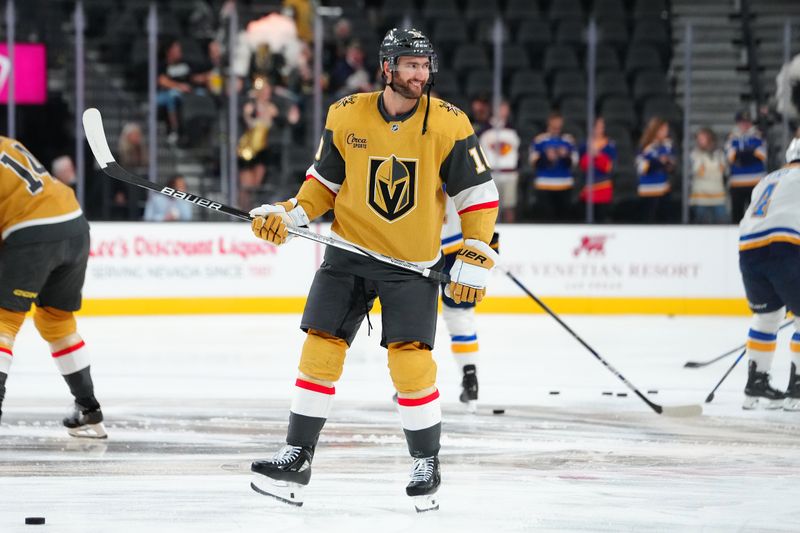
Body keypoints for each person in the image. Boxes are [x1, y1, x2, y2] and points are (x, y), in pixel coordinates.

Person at [247, 28, 499, 511]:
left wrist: (476, 252)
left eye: (425, 66)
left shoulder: (450, 124)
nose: (419, 75)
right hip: (348, 253)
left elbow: (478, 197)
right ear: (387, 68)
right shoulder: (346, 114)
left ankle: (426, 461)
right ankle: (297, 455)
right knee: (320, 348)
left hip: (411, 264)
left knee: (410, 362)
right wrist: (290, 213)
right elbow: (322, 184)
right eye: (409, 65)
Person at [0, 136, 106, 437]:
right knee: (56, 322)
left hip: (31, 231)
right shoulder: (6, 143)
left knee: (4, 321)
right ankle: (90, 411)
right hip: (74, 223)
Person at [737, 137, 800, 411]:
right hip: (783, 249)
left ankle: (756, 384)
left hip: (749, 251)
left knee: (767, 316)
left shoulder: (767, 179)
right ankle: (797, 390)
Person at [440, 198, 499, 412]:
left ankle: (411, 380)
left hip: (422, 250)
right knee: (460, 319)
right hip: (460, 251)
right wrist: (491, 245)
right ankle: (469, 375)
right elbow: (481, 200)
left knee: (417, 317)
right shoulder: (463, 165)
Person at [529, 111, 577, 221]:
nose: (556, 125)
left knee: (563, 220)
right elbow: (533, 162)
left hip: (564, 185)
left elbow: (573, 162)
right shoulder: (540, 140)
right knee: (546, 219)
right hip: (544, 185)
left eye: (558, 123)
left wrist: (564, 155)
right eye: (554, 123)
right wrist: (546, 158)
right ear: (549, 123)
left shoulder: (568, 140)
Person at [478, 99, 520, 222]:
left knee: (509, 206)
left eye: (504, 107)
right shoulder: (484, 130)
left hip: (510, 173)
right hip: (491, 174)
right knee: (491, 207)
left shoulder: (513, 129)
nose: (502, 110)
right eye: (499, 107)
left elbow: (517, 151)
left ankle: (511, 232)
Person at [726, 110, 767, 222]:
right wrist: (751, 152)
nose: (745, 125)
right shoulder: (732, 138)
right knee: (737, 216)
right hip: (737, 182)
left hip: (756, 182)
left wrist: (740, 154)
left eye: (747, 122)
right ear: (738, 123)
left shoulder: (758, 136)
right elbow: (730, 157)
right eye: (742, 122)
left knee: (755, 217)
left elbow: (762, 155)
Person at [578, 116, 616, 223]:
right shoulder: (584, 145)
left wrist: (598, 155)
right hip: (588, 190)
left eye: (602, 127)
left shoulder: (609, 145)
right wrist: (590, 154)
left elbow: (608, 167)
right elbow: (583, 166)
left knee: (601, 221)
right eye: (597, 127)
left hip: (603, 189)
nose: (600, 129)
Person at [636, 117, 675, 222]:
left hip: (663, 189)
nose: (666, 132)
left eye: (666, 129)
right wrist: (657, 162)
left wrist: (669, 164)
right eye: (663, 129)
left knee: (664, 221)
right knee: (649, 220)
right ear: (656, 130)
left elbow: (671, 167)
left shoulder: (668, 145)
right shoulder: (646, 147)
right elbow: (641, 167)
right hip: (649, 189)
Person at [689, 127, 728, 224]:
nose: (700, 141)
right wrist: (712, 170)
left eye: (702, 138)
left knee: (722, 224)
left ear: (710, 138)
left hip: (718, 196)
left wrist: (710, 170)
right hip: (701, 197)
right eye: (699, 138)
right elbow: (700, 172)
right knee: (700, 225)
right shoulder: (695, 154)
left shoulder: (720, 154)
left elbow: (722, 171)